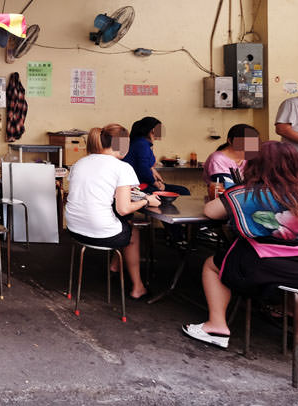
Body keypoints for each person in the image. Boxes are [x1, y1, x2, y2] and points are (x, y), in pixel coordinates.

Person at [182, 141, 298, 349]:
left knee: (211, 264)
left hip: (260, 267)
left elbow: (210, 211)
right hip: (294, 271)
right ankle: (285, 308)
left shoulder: (247, 193)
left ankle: (216, 325)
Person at [65, 123, 161, 300]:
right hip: (99, 233)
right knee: (133, 233)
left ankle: (115, 266)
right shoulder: (122, 167)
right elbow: (123, 209)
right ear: (122, 144)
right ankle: (138, 287)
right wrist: (146, 199)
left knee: (123, 223)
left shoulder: (80, 163)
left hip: (74, 230)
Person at [123, 116, 190, 196]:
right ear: (153, 130)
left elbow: (146, 166)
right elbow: (143, 170)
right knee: (183, 191)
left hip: (139, 184)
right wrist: (156, 184)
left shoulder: (138, 142)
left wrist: (154, 174)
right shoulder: (142, 145)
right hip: (139, 188)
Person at [203, 123, 260, 198]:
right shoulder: (217, 159)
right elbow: (224, 188)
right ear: (230, 141)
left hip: (244, 200)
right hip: (224, 202)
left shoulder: (248, 159)